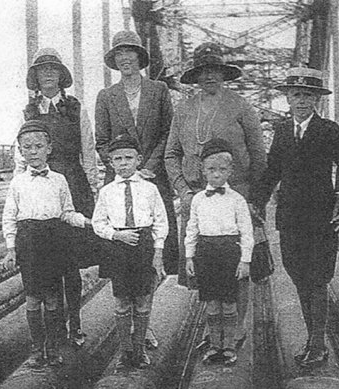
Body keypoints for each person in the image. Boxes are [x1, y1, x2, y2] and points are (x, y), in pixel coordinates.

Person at [250, 67, 339, 367]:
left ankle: (318, 343)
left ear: (317, 100)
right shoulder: (284, 131)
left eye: (308, 95)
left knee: (318, 279)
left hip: (321, 218)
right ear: (287, 97)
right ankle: (312, 339)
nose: (302, 101)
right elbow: (273, 168)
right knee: (298, 276)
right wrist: (256, 200)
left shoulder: (329, 130)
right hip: (290, 218)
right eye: (296, 95)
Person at [165, 42, 267, 343]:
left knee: (239, 266)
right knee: (204, 266)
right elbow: (171, 154)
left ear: (223, 74)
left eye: (215, 71)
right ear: (195, 76)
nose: (209, 77)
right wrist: (183, 191)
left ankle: (237, 329)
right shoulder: (184, 108)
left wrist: (255, 198)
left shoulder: (240, 106)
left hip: (237, 195)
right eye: (203, 72)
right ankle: (213, 331)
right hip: (198, 198)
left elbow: (259, 155)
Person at [20, 47, 99, 347]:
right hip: (41, 188)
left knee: (72, 261)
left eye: (53, 69)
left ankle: (75, 325)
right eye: (42, 70)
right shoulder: (28, 111)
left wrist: (90, 189)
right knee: (48, 261)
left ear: (61, 75)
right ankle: (54, 332)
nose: (48, 74)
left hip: (73, 184)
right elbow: (23, 152)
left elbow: (87, 151)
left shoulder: (76, 108)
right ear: (36, 77)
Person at [3, 121, 91, 367]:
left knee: (52, 297)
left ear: (49, 148)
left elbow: (67, 211)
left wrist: (87, 222)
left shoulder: (60, 180)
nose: (33, 151)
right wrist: (10, 248)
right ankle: (36, 349)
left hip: (54, 239)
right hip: (28, 240)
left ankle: (52, 347)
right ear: (20, 151)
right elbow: (10, 217)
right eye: (27, 147)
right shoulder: (17, 183)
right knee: (32, 298)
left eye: (38, 146)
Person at [95, 30, 178, 277]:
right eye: (119, 53)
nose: (124, 58)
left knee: (158, 240)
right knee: (120, 251)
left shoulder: (159, 89)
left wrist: (148, 166)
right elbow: (101, 141)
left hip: (152, 175)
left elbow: (168, 133)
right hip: (120, 178)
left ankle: (153, 297)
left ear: (139, 56)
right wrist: (122, 168)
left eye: (129, 51)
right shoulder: (106, 96)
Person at [92, 134, 168, 369]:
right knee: (122, 302)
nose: (123, 163)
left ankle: (140, 348)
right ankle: (125, 351)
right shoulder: (106, 192)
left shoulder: (150, 189)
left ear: (139, 160)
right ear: (110, 163)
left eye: (128, 157)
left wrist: (157, 252)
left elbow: (160, 222)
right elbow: (98, 223)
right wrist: (116, 235)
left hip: (143, 244)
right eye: (117, 159)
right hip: (119, 246)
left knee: (143, 301)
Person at [185, 138, 254, 365]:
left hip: (229, 253)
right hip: (206, 253)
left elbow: (247, 232)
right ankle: (214, 345)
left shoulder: (238, 200)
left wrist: (244, 261)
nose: (216, 175)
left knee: (229, 302)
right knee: (212, 303)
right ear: (203, 171)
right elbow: (192, 229)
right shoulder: (197, 200)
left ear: (230, 171)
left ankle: (229, 346)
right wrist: (189, 256)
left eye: (222, 169)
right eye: (211, 169)